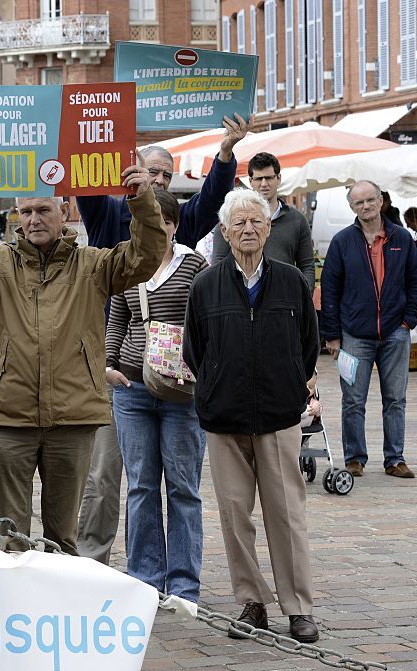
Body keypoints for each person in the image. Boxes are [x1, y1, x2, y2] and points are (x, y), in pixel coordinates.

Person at [0, 150, 166, 555]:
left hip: (72, 417)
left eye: (43, 209)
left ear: (63, 210)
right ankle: (16, 615)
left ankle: (60, 615)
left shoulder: (93, 265)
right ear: (16, 215)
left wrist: (142, 199)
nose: (34, 220)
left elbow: (145, 257)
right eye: (25, 211)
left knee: (64, 538)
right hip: (10, 417)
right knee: (11, 538)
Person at [74, 114, 251, 566]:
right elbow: (88, 189)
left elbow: (213, 197)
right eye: (152, 172)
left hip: (174, 383)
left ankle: (169, 574)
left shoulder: (177, 223)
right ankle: (96, 562)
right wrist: (101, 153)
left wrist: (226, 153)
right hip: (116, 371)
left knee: (175, 483)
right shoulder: (111, 214)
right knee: (107, 476)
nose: (159, 181)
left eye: (166, 177)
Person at [184, 187, 320, 643]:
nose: (247, 229)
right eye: (238, 223)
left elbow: (308, 343)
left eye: (255, 222)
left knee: (286, 514)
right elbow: (194, 349)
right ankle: (252, 603)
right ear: (224, 231)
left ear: (268, 228)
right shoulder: (206, 285)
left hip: (279, 416)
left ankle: (298, 608)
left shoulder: (290, 281)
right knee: (235, 515)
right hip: (224, 419)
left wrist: (290, 385)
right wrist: (217, 385)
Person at [104, 189, 208, 600]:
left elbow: (205, 322)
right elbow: (118, 317)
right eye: (145, 220)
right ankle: (146, 579)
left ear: (174, 225)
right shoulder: (127, 263)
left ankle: (184, 585)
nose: (155, 227)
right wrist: (109, 363)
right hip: (131, 387)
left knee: (183, 487)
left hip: (182, 391)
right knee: (141, 486)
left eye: (163, 220)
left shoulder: (195, 265)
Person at [320, 180, 417, 480]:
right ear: (352, 207)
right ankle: (354, 459)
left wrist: (408, 320)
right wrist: (333, 335)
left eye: (370, 200)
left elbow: (414, 281)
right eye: (359, 202)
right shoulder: (342, 242)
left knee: (396, 399)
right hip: (354, 335)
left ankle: (395, 459)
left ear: (381, 201)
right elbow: (330, 290)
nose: (366, 206)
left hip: (395, 333)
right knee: (352, 401)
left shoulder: (402, 238)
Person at [212, 151, 315, 289]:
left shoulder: (297, 220)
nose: (264, 184)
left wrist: (303, 297)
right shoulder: (231, 218)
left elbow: (307, 265)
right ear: (250, 181)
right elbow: (218, 263)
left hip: (284, 296)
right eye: (259, 179)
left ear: (278, 178)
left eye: (269, 178)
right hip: (241, 296)